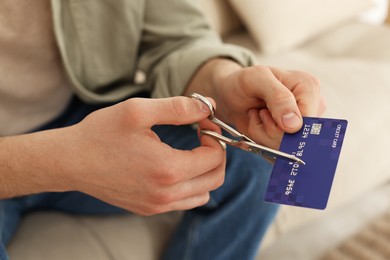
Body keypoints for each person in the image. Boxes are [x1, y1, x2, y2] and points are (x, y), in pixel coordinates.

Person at [0, 0, 325, 259]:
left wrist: (223, 81)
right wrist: (64, 160)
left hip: (78, 111)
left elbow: (178, 37)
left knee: (256, 165)